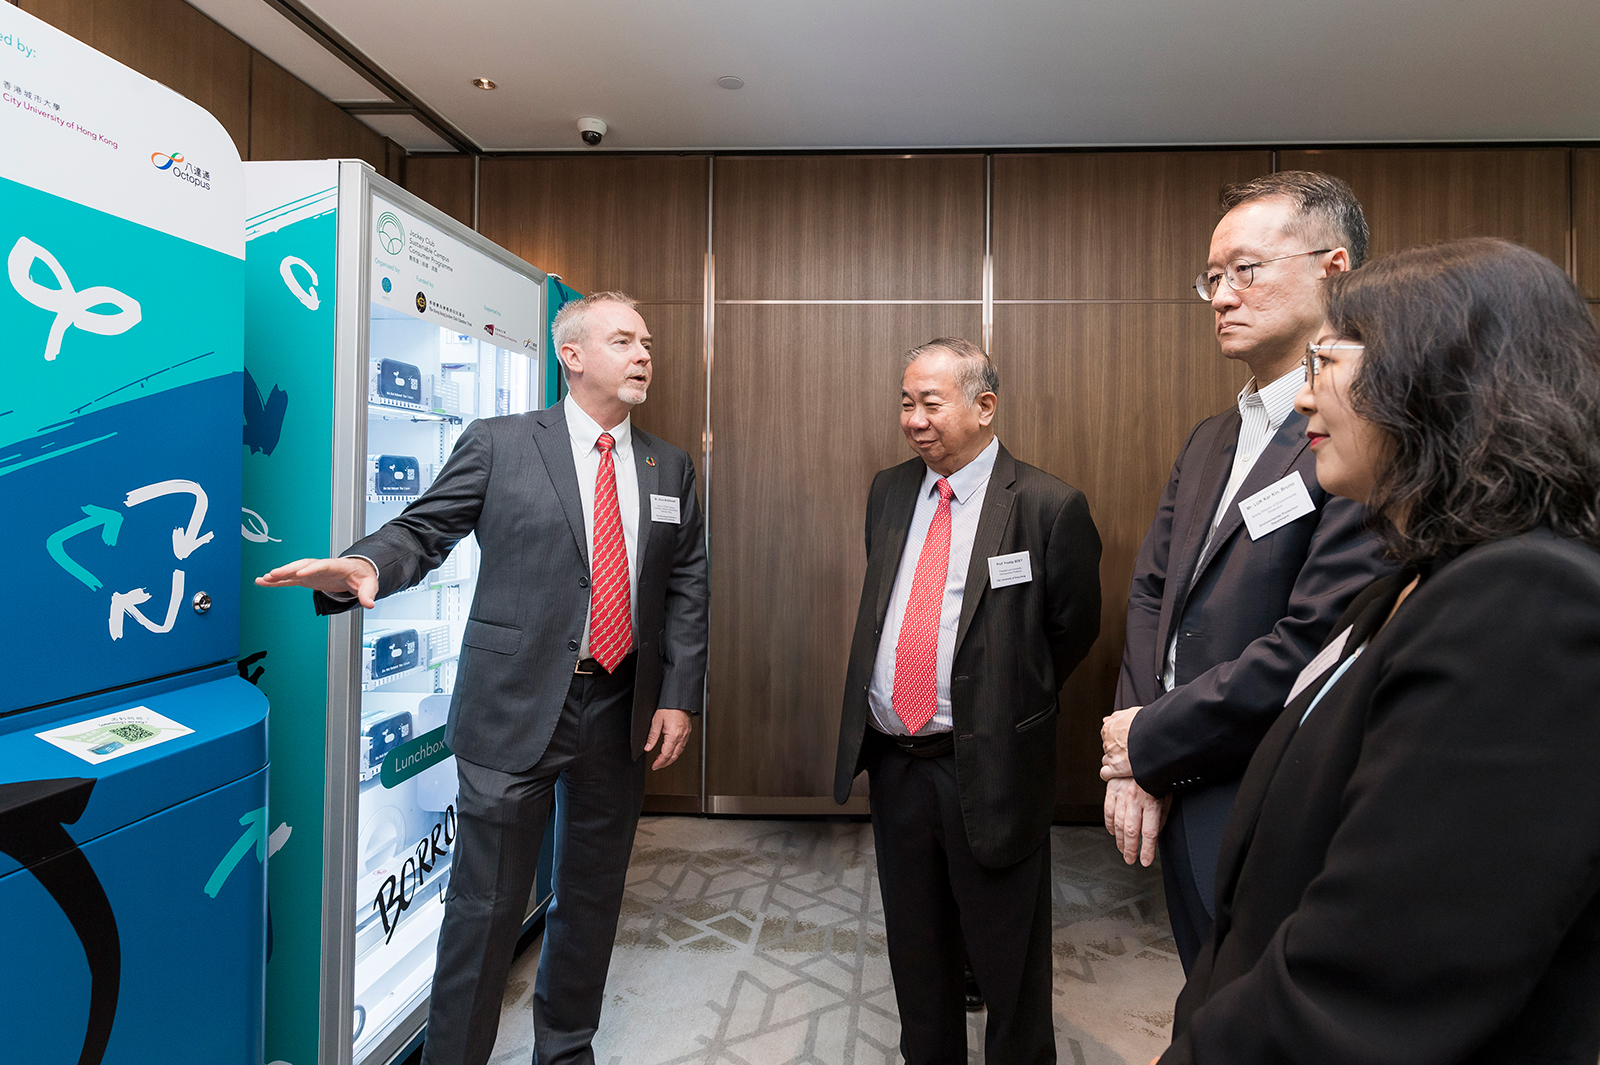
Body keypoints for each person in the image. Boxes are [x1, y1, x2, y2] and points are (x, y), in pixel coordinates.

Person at [1160, 237, 1600, 1063]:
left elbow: (1373, 986)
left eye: (1327, 360)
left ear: (1437, 376)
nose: (1303, 400)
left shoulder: (1529, 606)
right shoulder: (1406, 586)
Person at [257, 292, 708, 1065]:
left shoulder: (667, 464)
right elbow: (423, 529)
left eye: (648, 342)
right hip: (513, 707)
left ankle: (565, 1049)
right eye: (624, 340)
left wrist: (677, 695)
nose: (644, 355)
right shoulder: (499, 443)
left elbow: (688, 585)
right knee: (485, 906)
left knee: (593, 895)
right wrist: (363, 563)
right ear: (572, 355)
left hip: (620, 707)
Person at [1099, 172, 1392, 970]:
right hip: (1176, 775)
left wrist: (1151, 738)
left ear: (1335, 267)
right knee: (1207, 990)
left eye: (1247, 270)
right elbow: (1152, 596)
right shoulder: (1207, 440)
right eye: (1213, 277)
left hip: (1279, 786)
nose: (1222, 296)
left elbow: (1319, 638)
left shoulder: (1364, 434)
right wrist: (1137, 751)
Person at [833, 338, 1102, 1063]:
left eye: (930, 402)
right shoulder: (890, 490)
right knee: (918, 955)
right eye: (905, 401)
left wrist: (1003, 705)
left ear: (985, 407)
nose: (912, 419)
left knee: (1008, 960)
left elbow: (1071, 631)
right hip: (896, 761)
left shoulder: (1047, 504)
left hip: (989, 766)